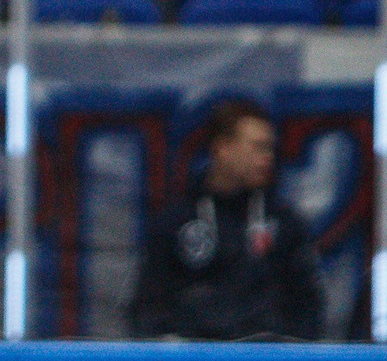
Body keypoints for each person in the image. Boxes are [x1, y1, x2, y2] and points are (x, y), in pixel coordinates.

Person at [133, 100, 323, 339]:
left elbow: (308, 307)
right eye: (258, 148)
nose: (267, 159)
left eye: (270, 149)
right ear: (222, 148)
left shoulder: (285, 225)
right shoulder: (176, 223)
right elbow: (148, 308)